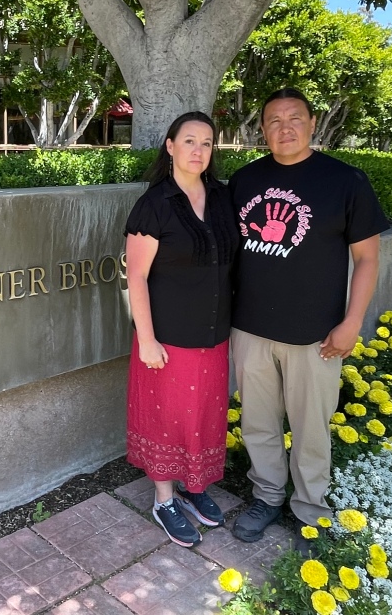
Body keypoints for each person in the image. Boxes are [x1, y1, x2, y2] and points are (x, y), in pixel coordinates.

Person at [228, 88, 390, 551]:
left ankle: (310, 509)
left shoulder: (345, 181)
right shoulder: (244, 181)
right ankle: (266, 496)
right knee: (258, 422)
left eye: (294, 118)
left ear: (312, 123)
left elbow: (367, 260)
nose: (284, 127)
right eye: (273, 120)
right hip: (251, 327)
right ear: (262, 129)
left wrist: (352, 321)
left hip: (316, 335)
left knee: (311, 426)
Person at [124, 111, 240, 547]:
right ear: (170, 146)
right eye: (189, 141)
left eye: (207, 143)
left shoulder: (223, 198)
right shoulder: (154, 205)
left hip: (214, 334)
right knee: (168, 418)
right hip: (167, 338)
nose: (198, 150)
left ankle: (195, 487)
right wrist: (147, 339)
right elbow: (136, 277)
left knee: (204, 416)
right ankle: (165, 499)